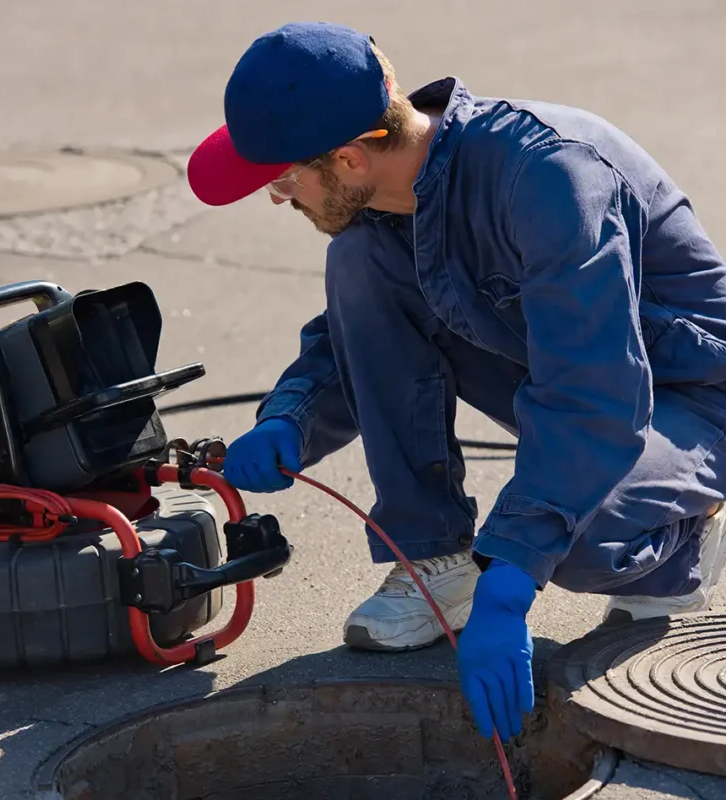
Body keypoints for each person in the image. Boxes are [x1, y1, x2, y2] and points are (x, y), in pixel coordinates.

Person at [187, 21, 726, 743]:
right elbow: (366, 334)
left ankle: (684, 544)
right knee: (359, 261)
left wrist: (510, 573)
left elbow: (594, 394)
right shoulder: (390, 191)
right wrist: (293, 417)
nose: (278, 198)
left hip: (687, 395)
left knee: (575, 539)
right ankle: (435, 557)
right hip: (571, 371)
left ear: (348, 158)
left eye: (283, 178)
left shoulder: (549, 178)